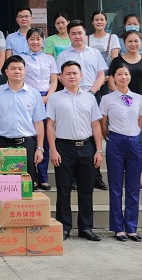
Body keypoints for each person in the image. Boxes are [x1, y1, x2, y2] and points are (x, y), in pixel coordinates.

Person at [47, 60, 104, 241]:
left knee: (86, 190)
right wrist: (53, 150)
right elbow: (50, 125)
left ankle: (85, 227)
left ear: (81, 76)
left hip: (87, 147)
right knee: (64, 190)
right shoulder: (55, 98)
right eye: (68, 73)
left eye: (75, 73)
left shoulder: (89, 98)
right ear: (61, 77)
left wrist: (99, 150)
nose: (72, 76)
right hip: (64, 148)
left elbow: (96, 125)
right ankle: (64, 227)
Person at [56, 20, 109, 191]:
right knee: (74, 132)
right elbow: (60, 76)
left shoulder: (95, 53)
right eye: (73, 33)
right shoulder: (63, 55)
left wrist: (91, 92)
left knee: (92, 135)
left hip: (91, 96)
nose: (77, 36)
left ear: (85, 34)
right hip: (70, 96)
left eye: (80, 33)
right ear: (69, 36)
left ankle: (96, 177)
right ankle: (72, 178)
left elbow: (101, 75)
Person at [100, 61, 142, 242]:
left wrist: (133, 136)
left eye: (126, 74)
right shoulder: (107, 99)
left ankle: (131, 228)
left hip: (134, 142)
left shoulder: (138, 98)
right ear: (113, 77)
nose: (123, 77)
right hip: (115, 142)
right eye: (119, 74)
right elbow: (103, 124)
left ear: (130, 77)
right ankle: (118, 228)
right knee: (116, 187)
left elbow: (140, 121)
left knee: (133, 187)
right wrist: (111, 138)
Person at [107, 30, 142, 191]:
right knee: (120, 142)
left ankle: (139, 178)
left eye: (136, 41)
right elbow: (111, 82)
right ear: (124, 43)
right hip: (119, 107)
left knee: (139, 142)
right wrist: (121, 98)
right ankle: (121, 176)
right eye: (129, 41)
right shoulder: (117, 61)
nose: (133, 44)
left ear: (141, 42)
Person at [0, 55, 46, 186]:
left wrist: (39, 148)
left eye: (20, 68)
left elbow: (38, 122)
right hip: (2, 144)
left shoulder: (34, 94)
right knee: (2, 186)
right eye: (13, 68)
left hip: (26, 144)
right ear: (6, 72)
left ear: (25, 71)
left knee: (26, 186)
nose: (17, 71)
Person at [20, 27, 58, 190]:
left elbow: (54, 80)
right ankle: (32, 177)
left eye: (38, 39)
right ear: (27, 41)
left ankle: (43, 177)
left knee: (46, 139)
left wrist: (47, 97)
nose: (35, 42)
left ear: (43, 40)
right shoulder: (21, 58)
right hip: (26, 98)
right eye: (31, 39)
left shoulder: (49, 59)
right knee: (30, 137)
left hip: (46, 98)